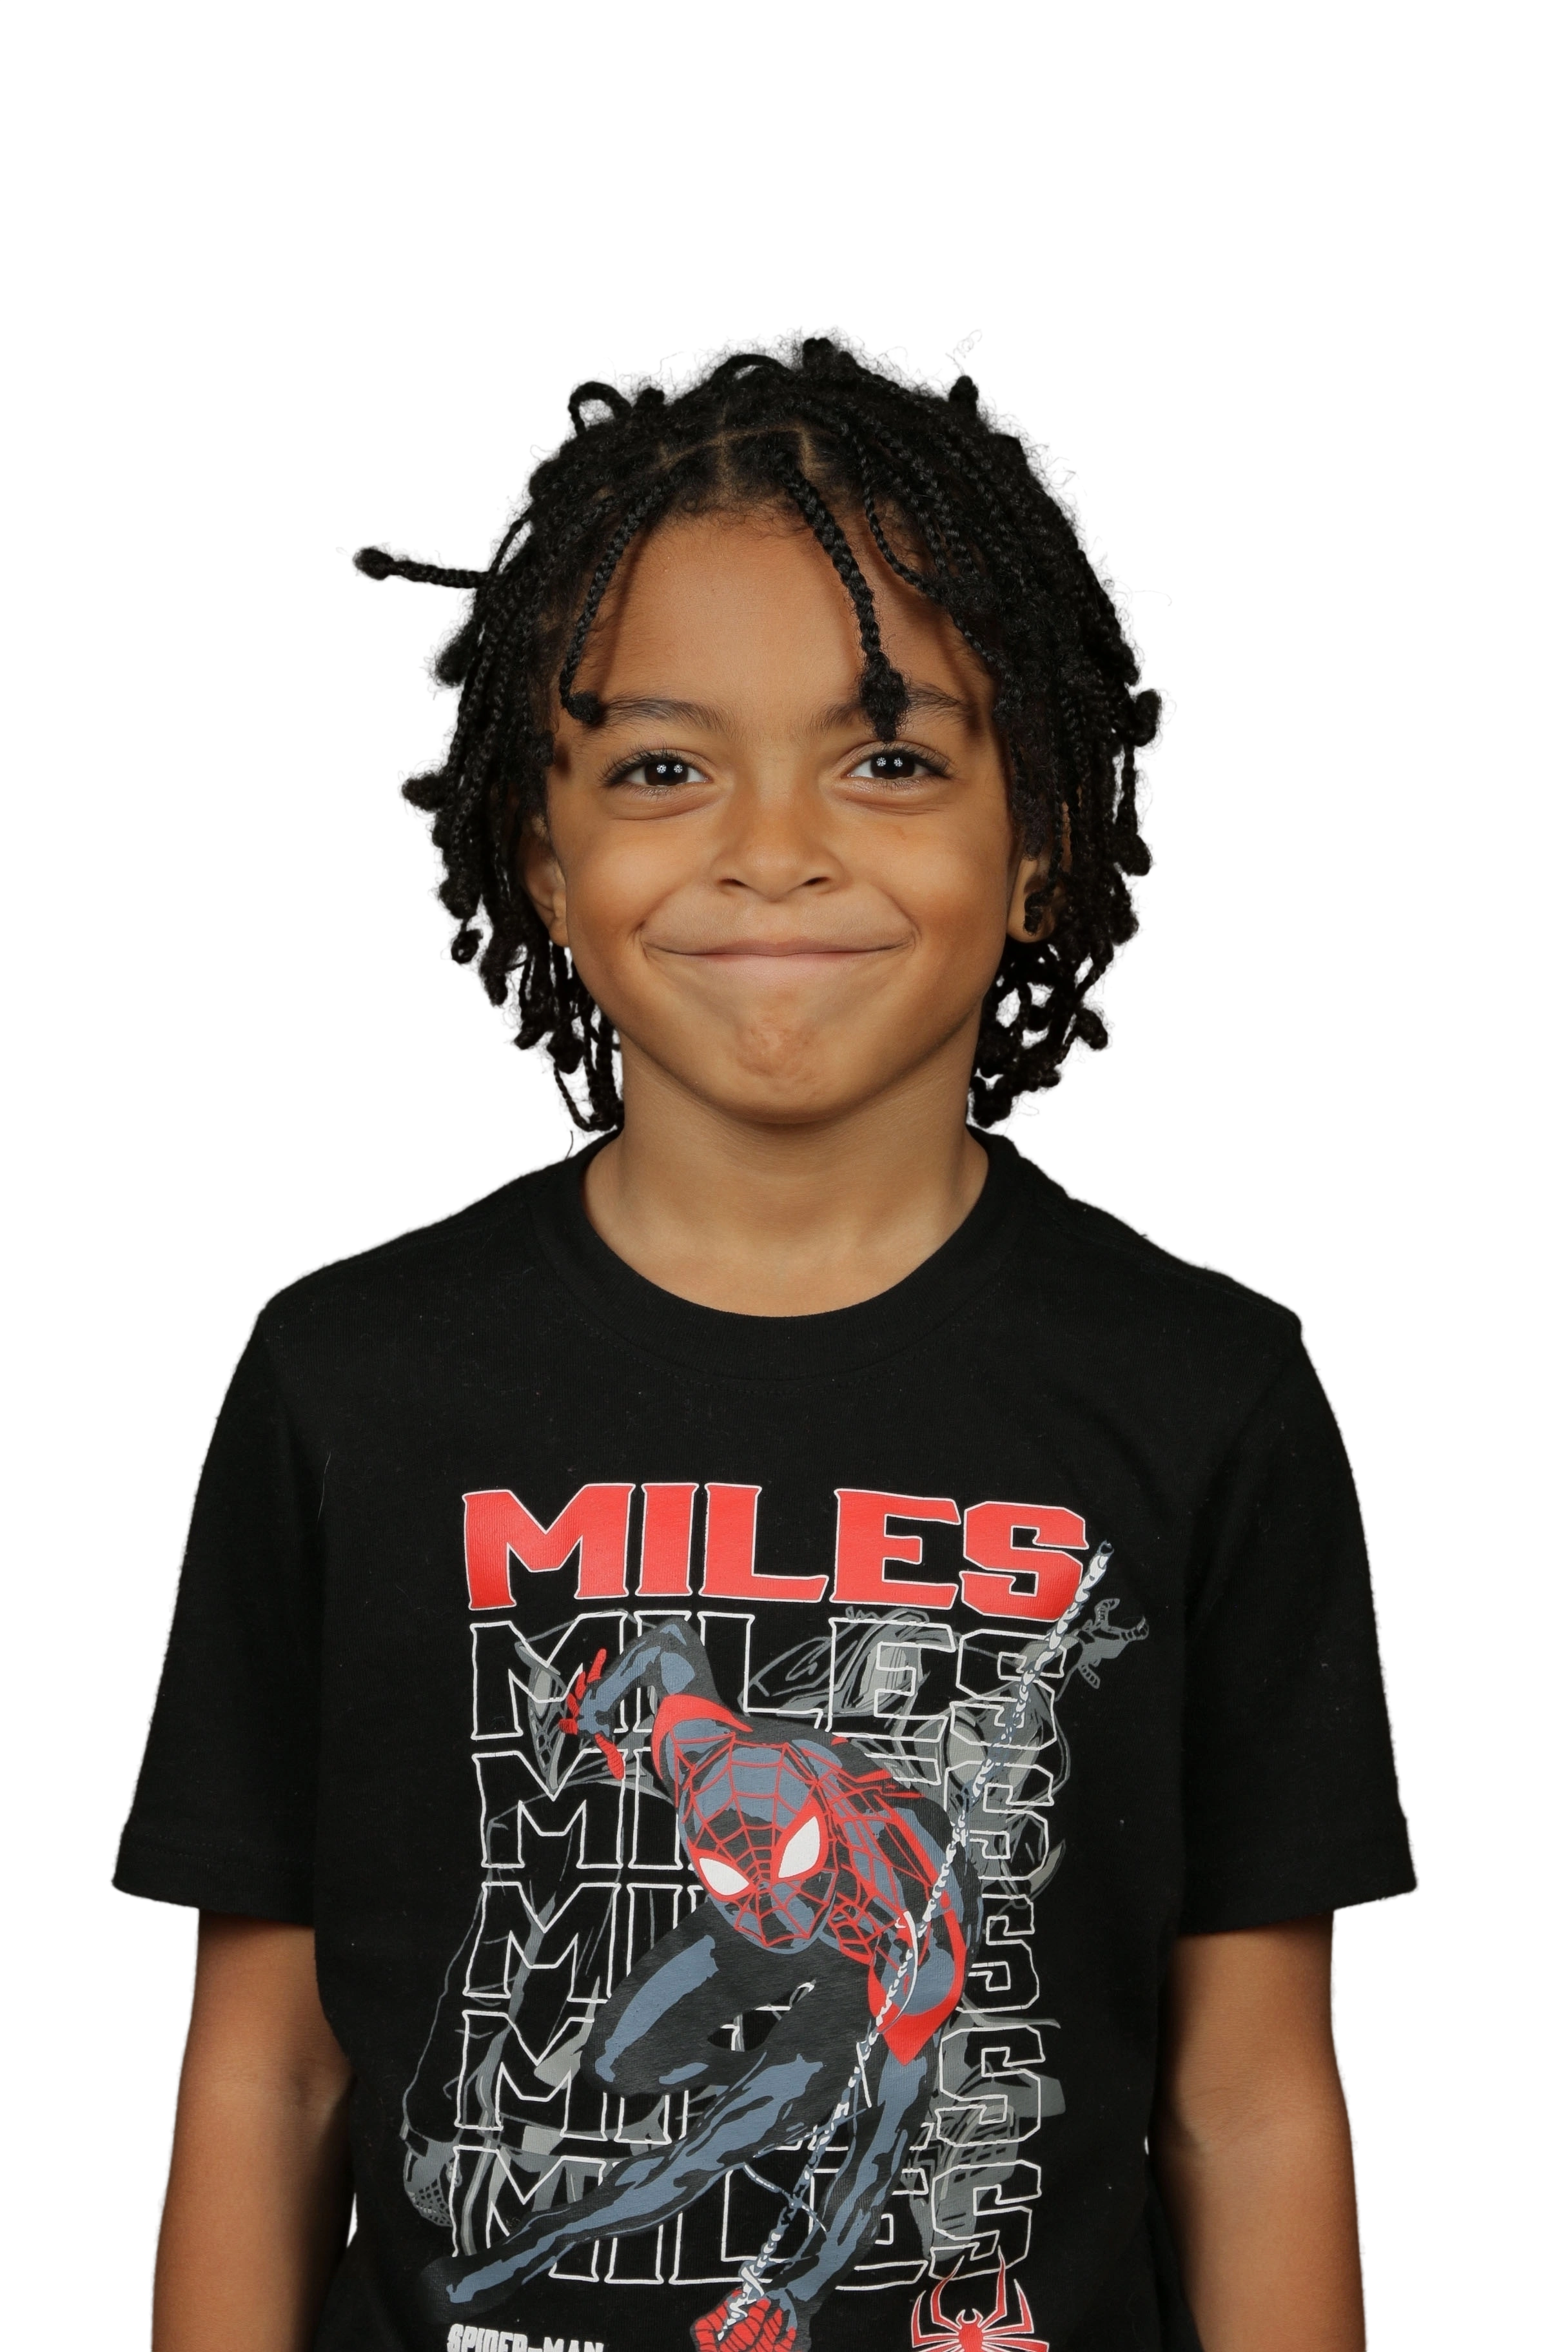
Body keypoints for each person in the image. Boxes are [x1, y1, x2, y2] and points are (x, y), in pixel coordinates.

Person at [110, 322, 1417, 2352]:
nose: (773, 845)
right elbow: (265, 2074)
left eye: (890, 757)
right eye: (662, 765)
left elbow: (1245, 2106)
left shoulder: (1206, 1391)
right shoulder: (347, 1379)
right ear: (544, 860)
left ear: (1040, 844)